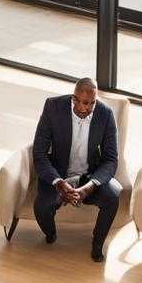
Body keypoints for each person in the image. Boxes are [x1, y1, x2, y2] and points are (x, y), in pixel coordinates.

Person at [31, 77, 121, 262]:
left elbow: (111, 160)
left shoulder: (105, 114)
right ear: (74, 99)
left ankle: (97, 244)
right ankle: (51, 234)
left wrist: (90, 186)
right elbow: (39, 153)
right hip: (58, 174)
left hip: (88, 177)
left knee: (112, 197)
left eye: (92, 103)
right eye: (85, 103)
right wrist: (58, 182)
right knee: (41, 206)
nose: (88, 108)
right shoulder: (53, 107)